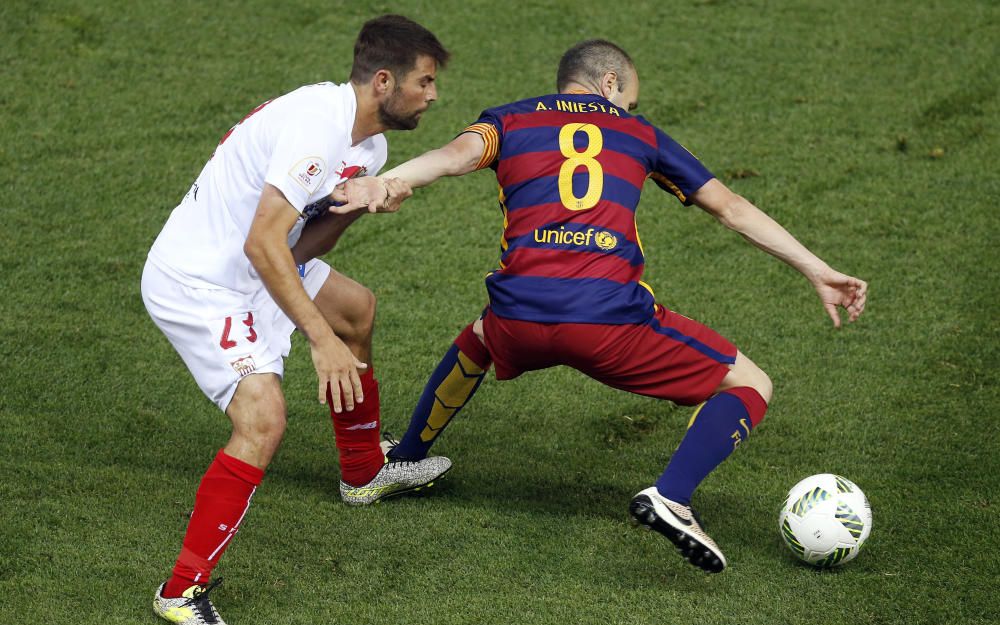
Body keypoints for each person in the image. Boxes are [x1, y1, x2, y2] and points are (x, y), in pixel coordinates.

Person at [330, 39, 867, 574]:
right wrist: (817, 269)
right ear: (610, 84)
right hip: (608, 323)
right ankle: (672, 497)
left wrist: (389, 180)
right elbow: (731, 207)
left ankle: (404, 459)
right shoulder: (638, 133)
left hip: (518, 318)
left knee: (481, 335)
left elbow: (452, 158)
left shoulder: (510, 120)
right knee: (751, 383)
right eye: (630, 100)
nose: (631, 110)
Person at [140, 15, 452, 625]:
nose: (433, 95)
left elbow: (298, 243)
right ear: (384, 81)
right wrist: (319, 340)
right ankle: (181, 591)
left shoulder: (369, 148)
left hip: (262, 263)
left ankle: (363, 473)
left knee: (355, 309)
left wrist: (358, 205)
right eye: (424, 81)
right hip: (202, 282)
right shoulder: (318, 128)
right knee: (263, 420)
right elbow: (262, 242)